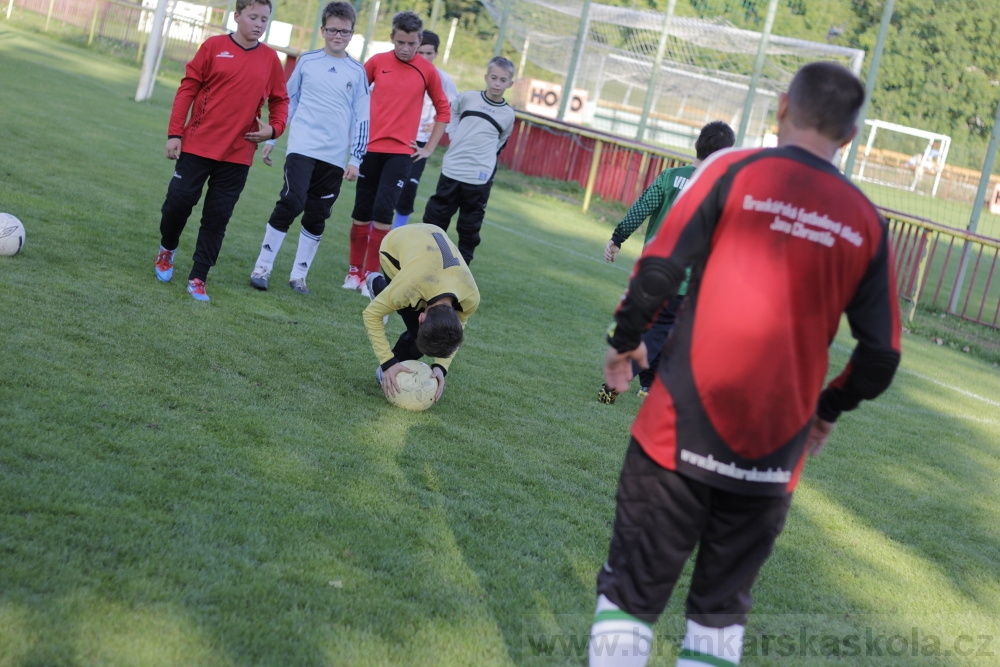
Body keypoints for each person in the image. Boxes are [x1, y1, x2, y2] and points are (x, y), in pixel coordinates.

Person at [590, 62, 901, 667]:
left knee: (630, 597)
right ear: (850, 137)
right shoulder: (866, 220)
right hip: (773, 454)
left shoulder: (730, 172)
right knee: (718, 616)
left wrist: (625, 339)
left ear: (782, 106)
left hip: (677, 435)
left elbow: (659, 271)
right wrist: (827, 408)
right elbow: (882, 354)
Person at [153, 0, 289, 302]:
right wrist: (175, 133)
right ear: (237, 16)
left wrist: (273, 129)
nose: (258, 24)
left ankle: (199, 276)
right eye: (253, 17)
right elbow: (187, 88)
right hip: (197, 144)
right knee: (178, 203)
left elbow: (280, 101)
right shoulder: (213, 46)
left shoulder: (270, 59)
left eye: (264, 19)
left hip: (238, 154)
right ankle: (167, 250)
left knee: (217, 217)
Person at [598, 121, 734, 402]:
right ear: (725, 155)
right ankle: (623, 375)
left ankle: (648, 387)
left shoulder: (670, 176)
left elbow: (640, 209)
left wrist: (617, 239)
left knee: (651, 326)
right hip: (683, 279)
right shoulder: (722, 190)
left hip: (650, 271)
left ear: (698, 143)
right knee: (662, 331)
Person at [247, 2, 369, 296]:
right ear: (323, 30)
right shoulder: (307, 61)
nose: (337, 35)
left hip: (335, 157)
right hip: (302, 147)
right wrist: (274, 138)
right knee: (292, 201)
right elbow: (288, 101)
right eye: (332, 30)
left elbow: (363, 117)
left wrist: (356, 158)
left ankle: (299, 275)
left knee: (317, 213)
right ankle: (262, 267)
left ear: (352, 33)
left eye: (344, 31)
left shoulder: (357, 72)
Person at [344, 11, 451, 297]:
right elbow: (353, 96)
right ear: (392, 37)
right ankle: (354, 271)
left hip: (401, 154)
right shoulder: (377, 62)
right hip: (370, 149)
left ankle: (373, 276)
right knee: (361, 211)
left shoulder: (427, 70)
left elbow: (444, 109)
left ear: (419, 41)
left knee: (383, 212)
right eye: (400, 42)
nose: (406, 48)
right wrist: (351, 136)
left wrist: (428, 148)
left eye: (412, 43)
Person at [362, 223, 479, 404]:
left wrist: (441, 366)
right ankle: (377, 284)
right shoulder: (411, 286)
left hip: (430, 241)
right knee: (417, 333)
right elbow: (371, 315)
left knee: (425, 331)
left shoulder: (470, 298)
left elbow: (458, 328)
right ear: (421, 316)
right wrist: (388, 362)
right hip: (394, 247)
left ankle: (383, 292)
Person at [421, 57, 516, 264]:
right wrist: (453, 133)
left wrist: (485, 156)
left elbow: (501, 140)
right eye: (493, 78)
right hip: (453, 169)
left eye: (502, 80)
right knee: (435, 218)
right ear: (486, 77)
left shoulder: (508, 114)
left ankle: (461, 272)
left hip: (479, 178)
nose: (497, 84)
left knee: (469, 227)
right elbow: (452, 112)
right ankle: (428, 260)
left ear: (510, 83)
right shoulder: (469, 98)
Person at [391, 30, 459, 229]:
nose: (425, 57)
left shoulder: (442, 78)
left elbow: (455, 107)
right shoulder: (400, 71)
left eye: (429, 53)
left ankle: (397, 232)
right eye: (420, 52)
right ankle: (373, 231)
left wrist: (440, 125)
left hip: (420, 141)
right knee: (385, 187)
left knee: (408, 189)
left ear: (436, 54)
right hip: (396, 136)